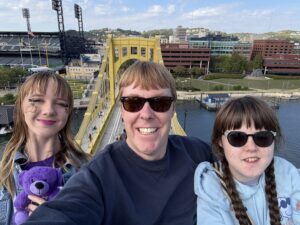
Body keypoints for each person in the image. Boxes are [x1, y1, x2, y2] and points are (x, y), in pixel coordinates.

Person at [23, 61, 214, 225]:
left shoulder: (197, 153)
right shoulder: (98, 176)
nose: (146, 114)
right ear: (121, 110)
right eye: (133, 103)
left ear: (173, 109)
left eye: (160, 103)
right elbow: (65, 213)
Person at [0, 72, 90, 225]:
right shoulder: (4, 173)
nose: (49, 110)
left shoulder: (89, 170)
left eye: (61, 103)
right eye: (36, 100)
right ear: (21, 106)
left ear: (68, 112)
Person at [194, 96, 300, 225]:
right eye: (237, 137)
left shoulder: (288, 173)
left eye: (262, 137)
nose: (251, 148)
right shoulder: (210, 188)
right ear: (220, 142)